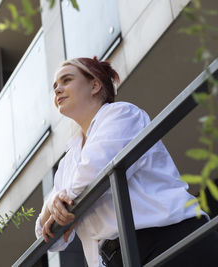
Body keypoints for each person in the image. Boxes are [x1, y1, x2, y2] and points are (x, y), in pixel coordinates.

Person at [35, 57, 218, 267]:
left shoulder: (121, 114)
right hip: (118, 260)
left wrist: (61, 201)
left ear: (95, 85)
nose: (57, 89)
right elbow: (48, 238)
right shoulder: (68, 162)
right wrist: (52, 203)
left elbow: (92, 173)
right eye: (55, 85)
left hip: (167, 239)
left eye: (66, 80)